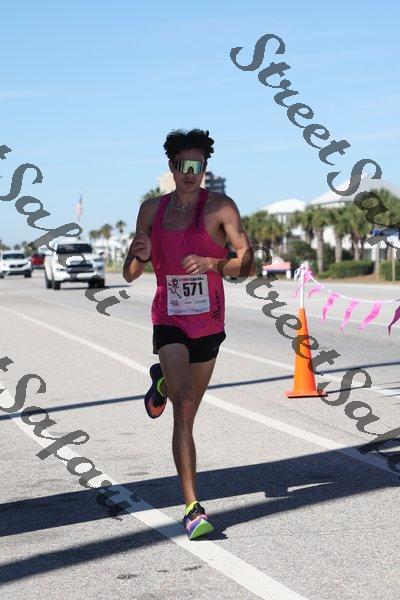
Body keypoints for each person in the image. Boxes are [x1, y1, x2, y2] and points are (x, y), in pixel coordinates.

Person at [123, 129, 255, 539]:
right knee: (183, 405)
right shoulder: (151, 210)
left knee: (190, 406)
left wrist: (214, 264)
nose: (190, 172)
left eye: (197, 165)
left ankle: (161, 381)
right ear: (172, 167)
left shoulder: (221, 207)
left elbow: (248, 263)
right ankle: (193, 507)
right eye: (183, 165)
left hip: (209, 324)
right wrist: (139, 257)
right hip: (169, 320)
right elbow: (130, 272)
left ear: (205, 168)